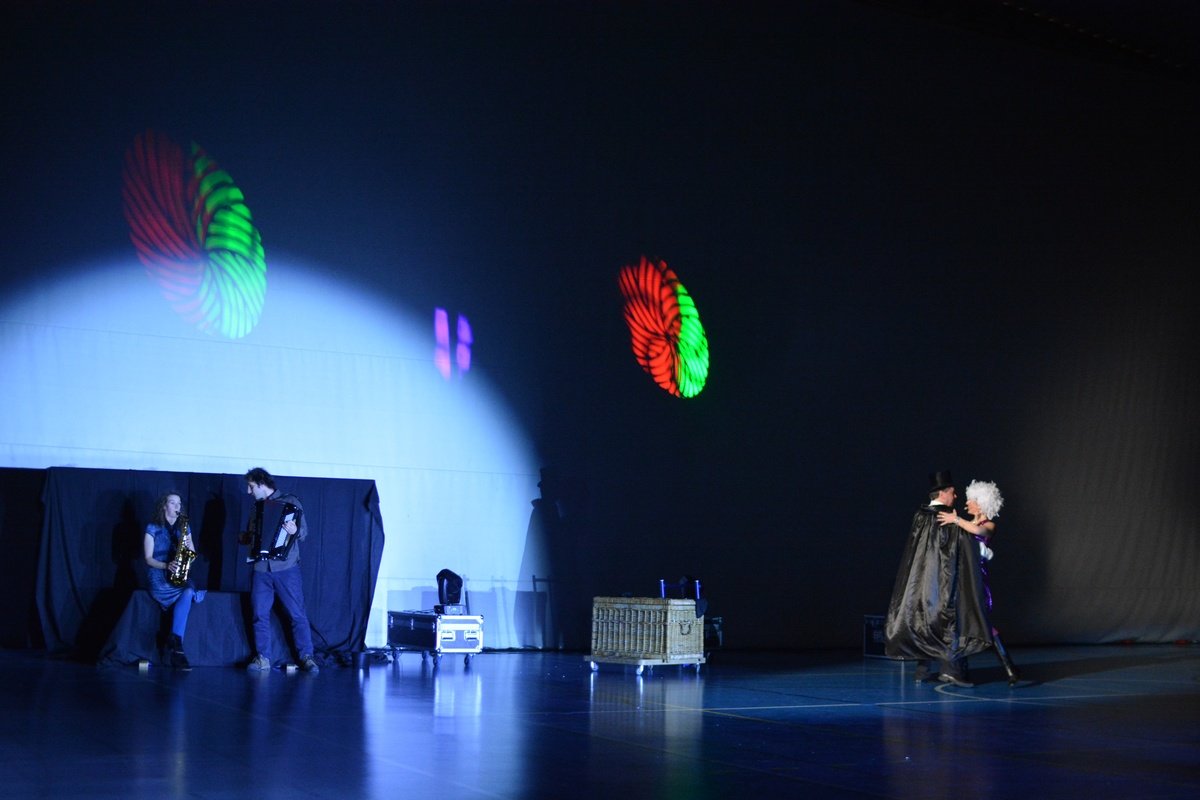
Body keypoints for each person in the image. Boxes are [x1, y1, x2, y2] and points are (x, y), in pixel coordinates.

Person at [884, 470, 992, 687]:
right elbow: (958, 551)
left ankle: (922, 670)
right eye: (953, 492)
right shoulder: (947, 518)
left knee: (924, 618)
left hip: (920, 579)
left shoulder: (921, 515)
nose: (956, 497)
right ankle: (951, 670)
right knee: (948, 619)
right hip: (943, 580)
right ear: (943, 493)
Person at [938, 479, 1021, 686]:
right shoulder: (966, 523)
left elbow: (979, 532)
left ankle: (1010, 668)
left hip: (976, 578)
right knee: (961, 621)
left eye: (971, 501)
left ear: (981, 504)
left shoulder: (988, 525)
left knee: (983, 623)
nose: (966, 504)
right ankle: (961, 670)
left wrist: (956, 520)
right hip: (962, 578)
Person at [242, 467, 319, 674]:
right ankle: (263, 657)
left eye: (251, 487)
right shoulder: (256, 508)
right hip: (261, 568)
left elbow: (304, 533)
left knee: (297, 613)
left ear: (261, 484)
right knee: (259, 614)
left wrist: (295, 530)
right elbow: (252, 535)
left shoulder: (291, 502)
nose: (249, 491)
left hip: (286, 567)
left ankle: (306, 656)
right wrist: (246, 538)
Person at [143, 490, 205, 670]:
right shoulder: (153, 527)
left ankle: (176, 644)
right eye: (172, 503)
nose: (177, 506)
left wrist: (186, 557)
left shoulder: (184, 526)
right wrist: (166, 565)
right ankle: (178, 650)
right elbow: (148, 558)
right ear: (164, 506)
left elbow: (192, 554)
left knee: (188, 591)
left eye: (179, 503)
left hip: (177, 573)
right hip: (159, 576)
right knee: (188, 593)